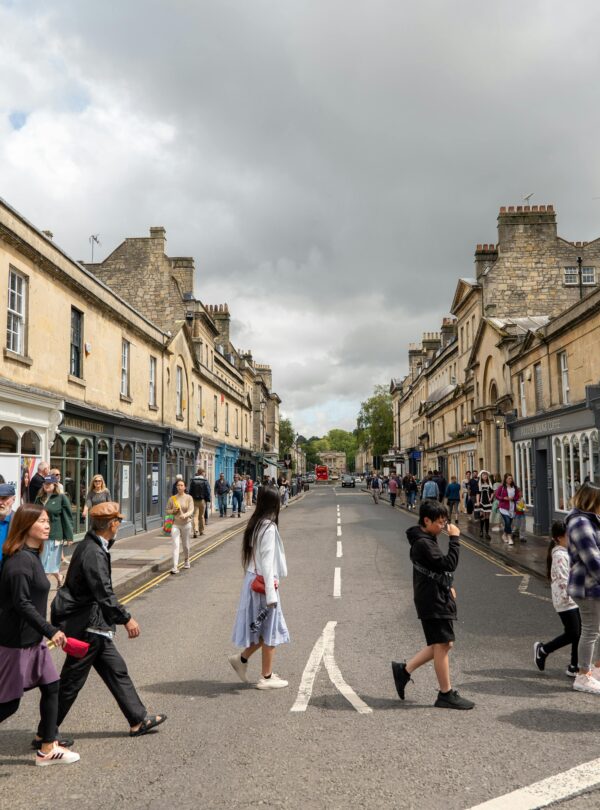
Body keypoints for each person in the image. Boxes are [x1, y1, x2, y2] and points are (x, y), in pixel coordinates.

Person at [53, 501, 167, 736]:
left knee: (117, 670)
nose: (119, 524)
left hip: (94, 625)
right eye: (118, 521)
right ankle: (45, 733)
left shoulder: (94, 545)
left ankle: (137, 719)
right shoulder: (93, 552)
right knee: (70, 683)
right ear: (112, 524)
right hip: (87, 625)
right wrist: (126, 618)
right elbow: (103, 592)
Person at [0, 503, 80, 765]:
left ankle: (47, 748)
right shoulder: (20, 562)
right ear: (26, 525)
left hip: (32, 641)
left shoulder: (33, 555)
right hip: (16, 643)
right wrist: (51, 630)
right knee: (9, 704)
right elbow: (22, 604)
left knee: (52, 686)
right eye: (42, 521)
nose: (47, 525)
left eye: (48, 521)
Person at [392, 499, 474, 710]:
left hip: (435, 595)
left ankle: (404, 671)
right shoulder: (423, 543)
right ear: (426, 520)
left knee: (443, 643)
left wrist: (447, 585)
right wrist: (455, 539)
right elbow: (447, 564)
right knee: (442, 645)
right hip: (432, 600)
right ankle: (445, 694)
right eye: (439, 522)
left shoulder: (427, 537)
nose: (443, 526)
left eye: (444, 522)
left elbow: (436, 568)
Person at [229, 486, 289, 689]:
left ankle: (242, 659)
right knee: (270, 630)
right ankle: (267, 677)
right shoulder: (269, 527)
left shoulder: (255, 523)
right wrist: (272, 595)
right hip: (264, 584)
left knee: (262, 628)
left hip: (253, 580)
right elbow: (267, 562)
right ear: (273, 504)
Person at [565, 483, 600, 694]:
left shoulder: (589, 520)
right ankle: (583, 675)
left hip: (593, 585)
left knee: (594, 630)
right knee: (590, 631)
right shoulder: (580, 523)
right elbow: (593, 561)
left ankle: (594, 670)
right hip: (589, 587)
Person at [534, 520, 581, 678]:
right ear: (560, 538)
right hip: (566, 600)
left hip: (573, 598)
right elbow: (562, 581)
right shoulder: (560, 555)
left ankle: (574, 666)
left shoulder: (566, 551)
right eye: (569, 535)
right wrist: (572, 596)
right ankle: (543, 650)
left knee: (578, 633)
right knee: (573, 633)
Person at [35, 475, 73, 588]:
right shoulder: (39, 498)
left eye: (49, 484)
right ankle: (59, 577)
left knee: (48, 561)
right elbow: (33, 516)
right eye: (45, 483)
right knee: (45, 560)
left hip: (55, 535)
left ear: (54, 485)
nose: (46, 486)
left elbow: (67, 518)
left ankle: (40, 585)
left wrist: (69, 536)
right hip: (40, 535)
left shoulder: (61, 498)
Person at [166, 479, 194, 574]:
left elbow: (191, 510)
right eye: (178, 485)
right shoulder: (172, 498)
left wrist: (185, 515)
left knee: (186, 545)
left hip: (186, 524)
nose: (179, 487)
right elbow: (167, 510)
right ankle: (175, 566)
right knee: (175, 545)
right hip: (175, 524)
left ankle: (186, 559)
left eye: (182, 485)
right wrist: (172, 511)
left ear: (185, 487)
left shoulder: (189, 498)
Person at [493, 473, 521, 545]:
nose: (510, 480)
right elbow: (496, 495)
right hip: (503, 507)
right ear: (505, 479)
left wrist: (513, 498)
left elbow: (518, 496)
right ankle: (509, 537)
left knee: (509, 524)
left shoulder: (514, 487)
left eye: (511, 478)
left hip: (512, 508)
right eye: (509, 478)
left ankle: (504, 535)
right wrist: (504, 498)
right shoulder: (502, 487)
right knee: (507, 522)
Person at [188, 467, 211, 537]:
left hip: (194, 500)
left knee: (195, 516)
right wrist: (208, 499)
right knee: (201, 516)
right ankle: (201, 531)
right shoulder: (205, 481)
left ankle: (195, 531)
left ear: (198, 472)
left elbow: (190, 491)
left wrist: (190, 500)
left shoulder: (193, 480)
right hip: (202, 500)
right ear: (202, 473)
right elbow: (208, 491)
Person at [0, 483, 16, 566]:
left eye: (4, 498)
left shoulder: (19, 521)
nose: (0, 502)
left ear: (14, 499)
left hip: (9, 569)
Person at [476, 470, 494, 540]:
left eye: (486, 475)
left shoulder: (489, 483)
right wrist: (477, 501)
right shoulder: (479, 483)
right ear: (481, 476)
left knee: (487, 517)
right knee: (482, 516)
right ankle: (481, 531)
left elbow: (492, 492)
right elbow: (478, 493)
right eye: (484, 475)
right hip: (482, 501)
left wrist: (491, 498)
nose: (485, 476)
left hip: (488, 502)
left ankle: (487, 533)